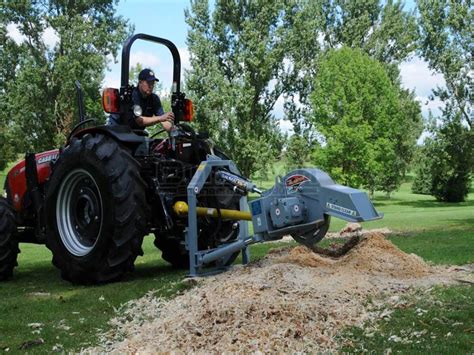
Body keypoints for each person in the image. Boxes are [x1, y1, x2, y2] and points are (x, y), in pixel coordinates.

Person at [107, 68, 174, 132]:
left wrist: (173, 131)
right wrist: (160, 118)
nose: (151, 86)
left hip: (135, 133)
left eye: (153, 83)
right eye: (148, 83)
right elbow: (139, 121)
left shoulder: (154, 99)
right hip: (117, 131)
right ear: (140, 82)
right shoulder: (132, 96)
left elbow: (164, 120)